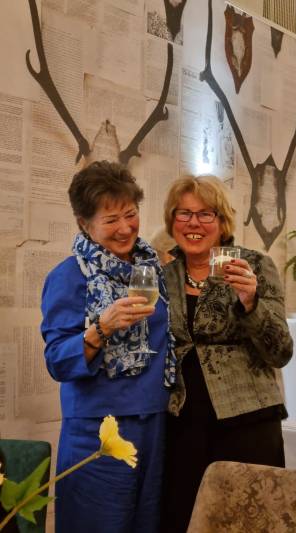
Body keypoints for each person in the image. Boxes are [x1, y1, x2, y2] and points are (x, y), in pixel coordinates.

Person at [40, 160, 175, 533]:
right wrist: (101, 327)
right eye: (111, 219)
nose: (126, 228)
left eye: (131, 214)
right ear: (84, 224)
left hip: (154, 424)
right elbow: (57, 361)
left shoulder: (152, 270)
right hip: (98, 432)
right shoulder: (69, 276)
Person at [161, 175, 293, 533]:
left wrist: (251, 303)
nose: (194, 223)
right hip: (183, 422)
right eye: (184, 213)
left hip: (247, 420)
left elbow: (281, 352)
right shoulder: (162, 275)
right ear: (172, 220)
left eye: (205, 214)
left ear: (222, 221)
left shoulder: (256, 266)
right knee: (183, 518)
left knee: (248, 520)